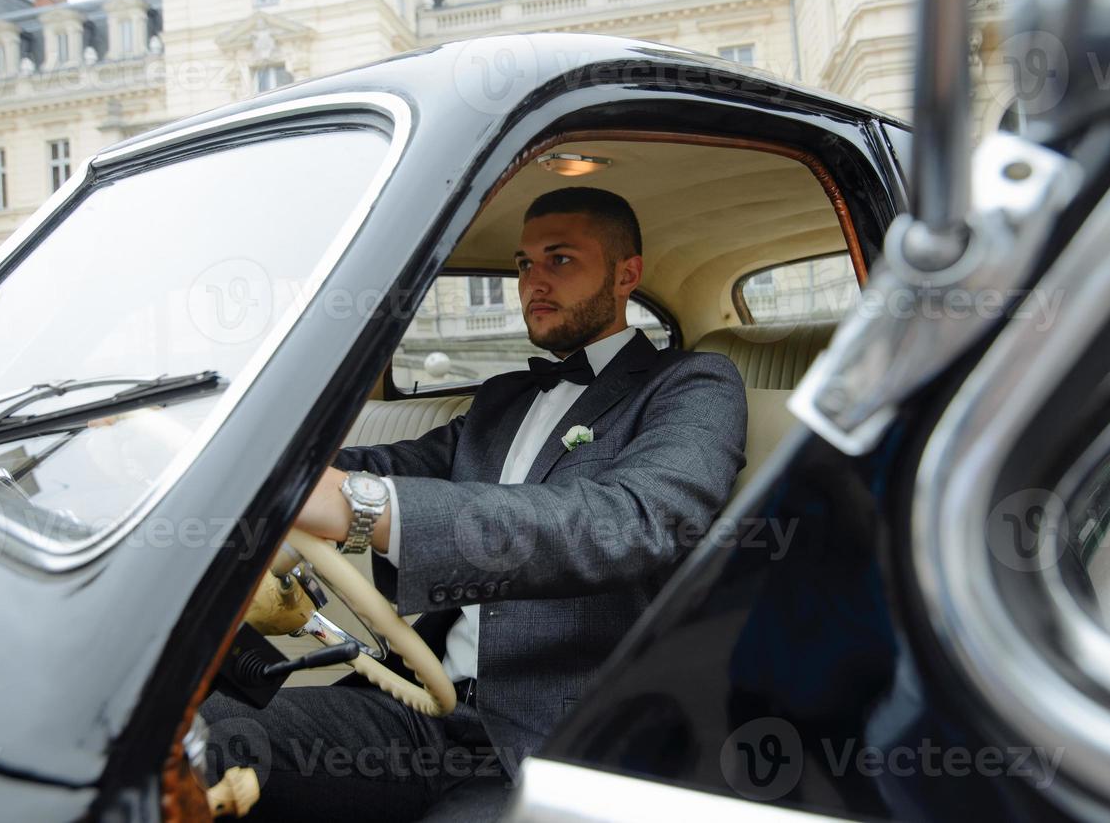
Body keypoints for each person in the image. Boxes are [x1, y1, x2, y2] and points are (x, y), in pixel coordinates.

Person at [202, 186, 747, 821]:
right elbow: (388, 467)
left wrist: (359, 506)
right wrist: (230, 464)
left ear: (627, 275)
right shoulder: (502, 398)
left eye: (560, 260)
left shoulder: (691, 384)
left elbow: (634, 522)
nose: (533, 282)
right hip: (420, 711)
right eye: (523, 264)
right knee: (185, 733)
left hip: (551, 738)